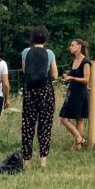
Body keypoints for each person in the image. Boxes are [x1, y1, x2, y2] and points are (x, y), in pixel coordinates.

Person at [20, 26, 58, 168]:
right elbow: (54, 75)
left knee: (28, 125)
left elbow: (24, 71)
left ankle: (27, 161)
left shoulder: (25, 52)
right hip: (45, 92)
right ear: (45, 38)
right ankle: (43, 160)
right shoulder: (50, 53)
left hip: (30, 92)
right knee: (45, 126)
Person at [59, 39, 91, 150]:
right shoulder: (72, 62)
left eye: (72, 45)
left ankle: (78, 145)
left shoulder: (86, 62)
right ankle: (79, 138)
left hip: (81, 93)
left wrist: (72, 78)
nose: (70, 47)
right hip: (71, 91)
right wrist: (68, 77)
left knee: (79, 118)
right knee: (63, 118)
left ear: (79, 46)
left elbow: (86, 80)